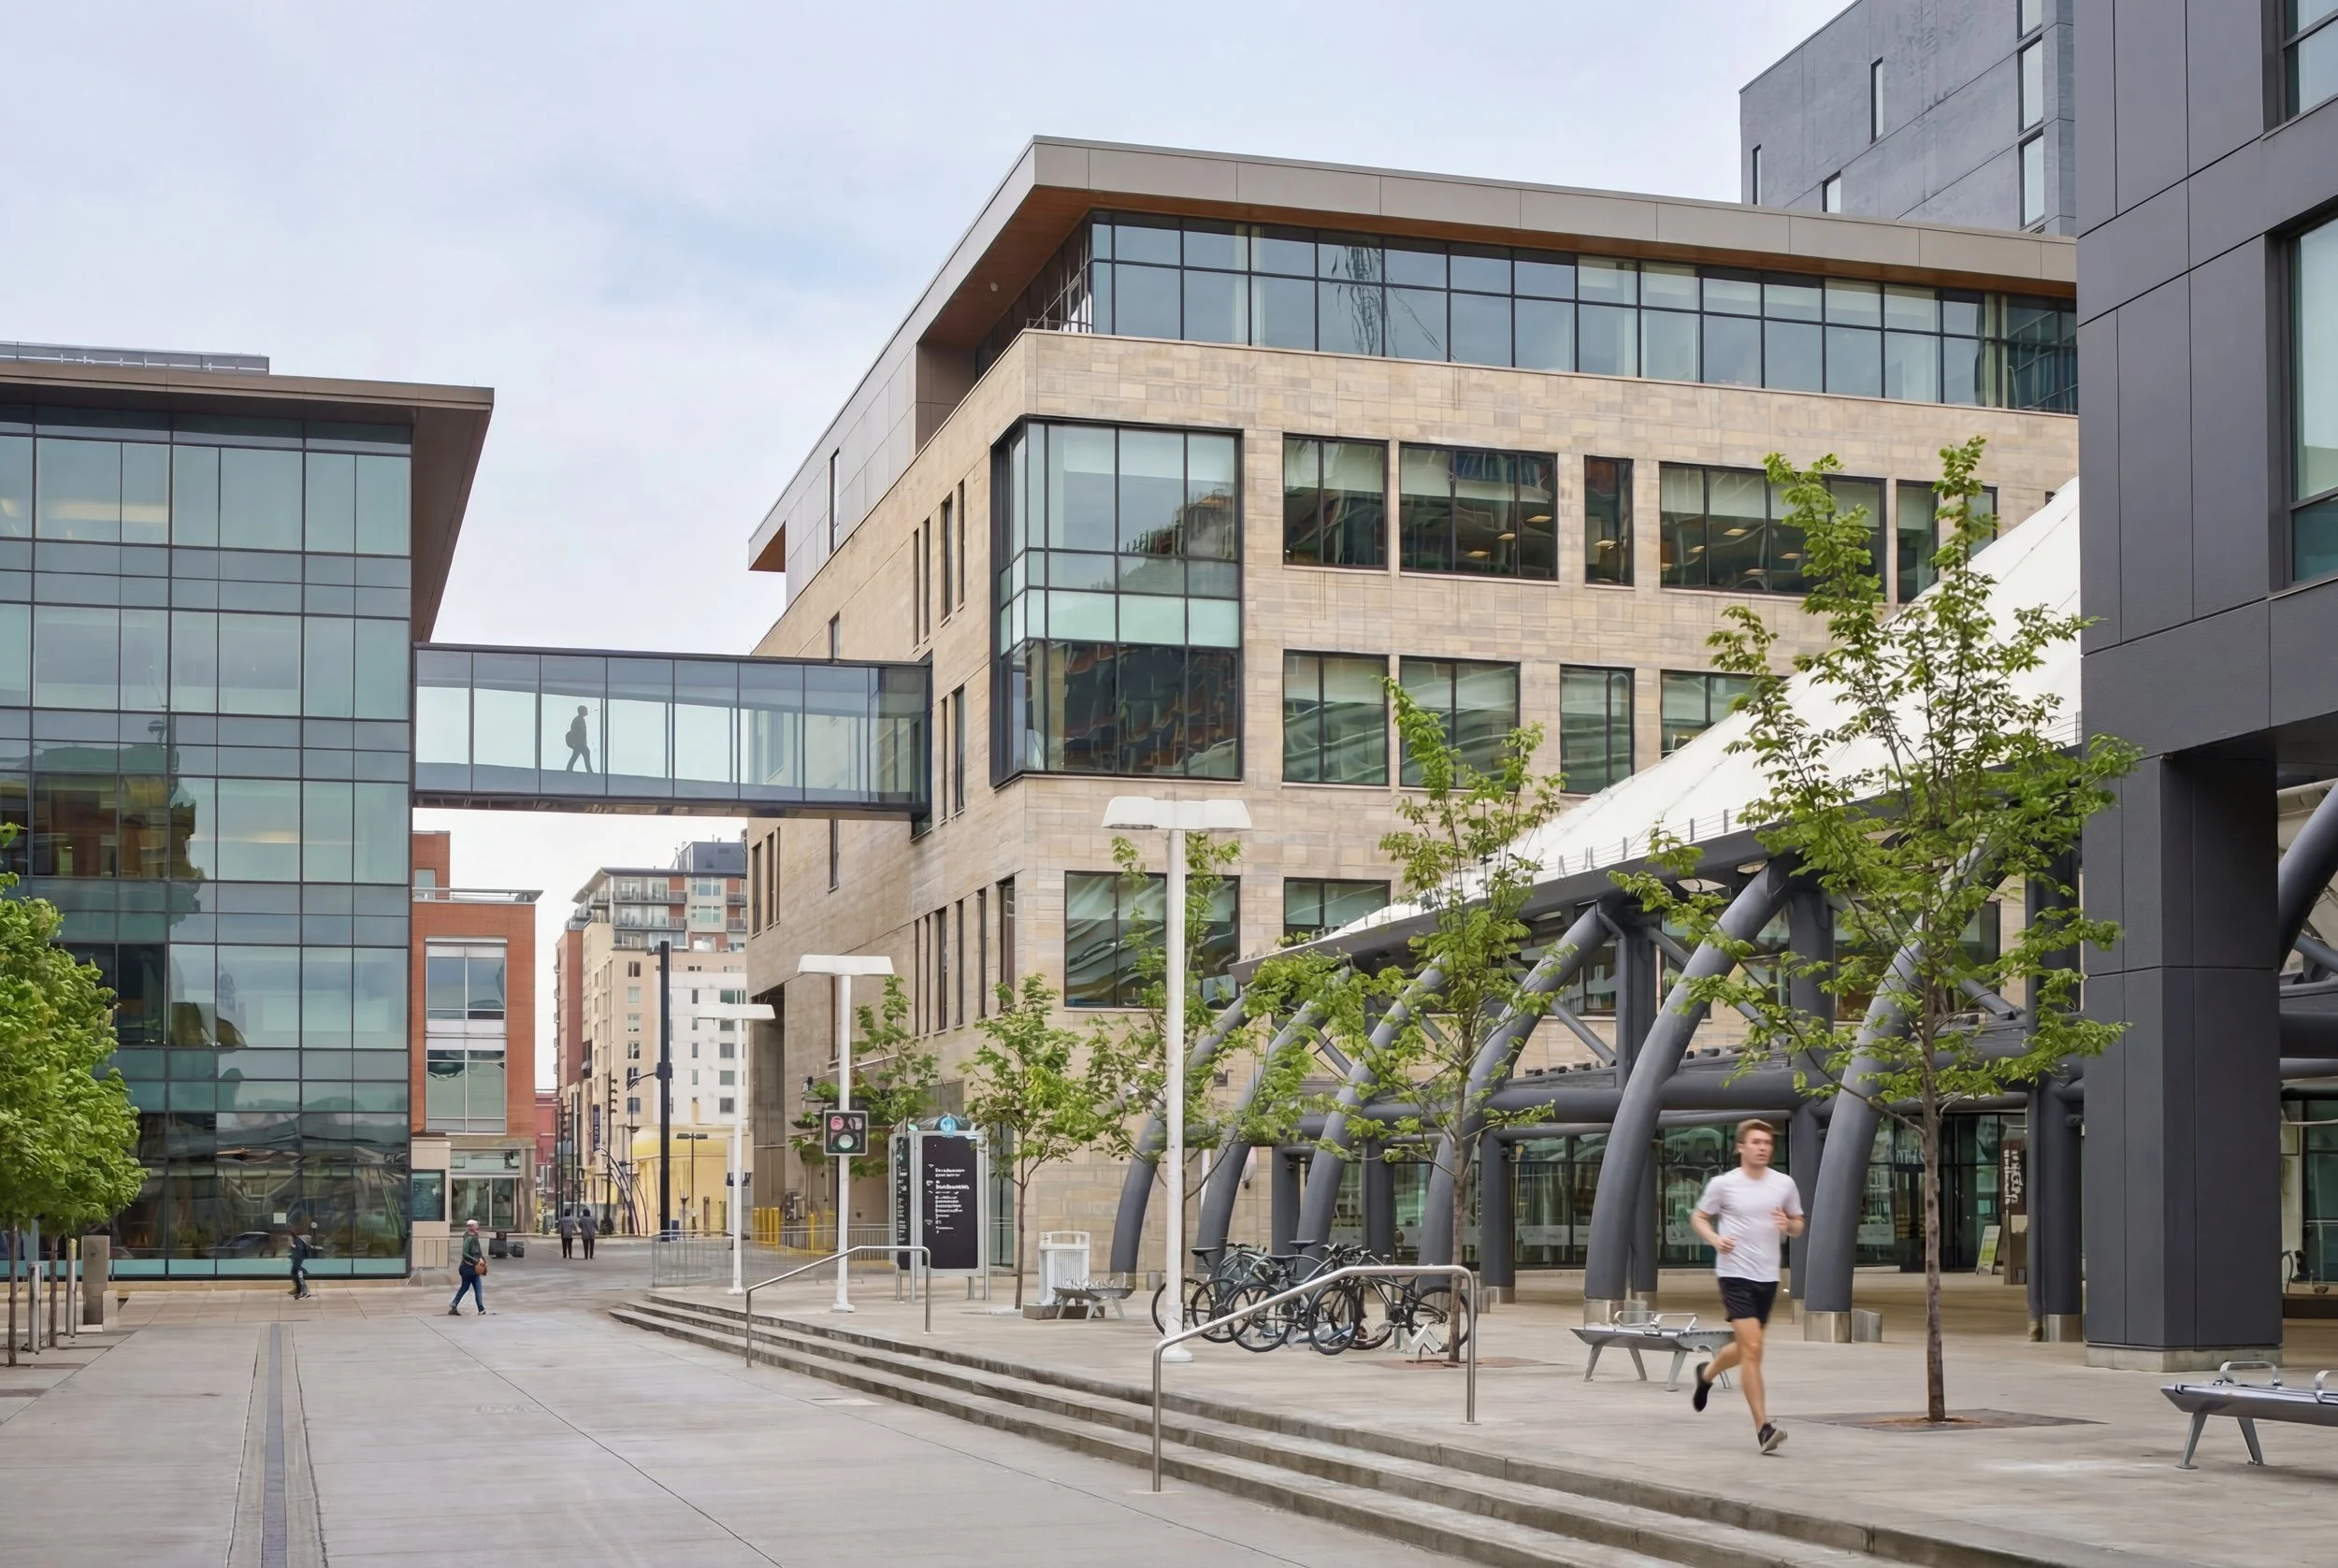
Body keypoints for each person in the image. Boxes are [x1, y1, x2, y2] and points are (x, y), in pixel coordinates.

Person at [1688, 1119, 1804, 1455]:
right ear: (1741, 1147)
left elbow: (1798, 1224)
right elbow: (1698, 1217)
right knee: (1754, 1349)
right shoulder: (1724, 1185)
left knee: (1746, 1348)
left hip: (1768, 1277)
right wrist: (1714, 1238)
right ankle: (1763, 1428)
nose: (1763, 1148)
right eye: (1756, 1142)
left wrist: (1789, 1225)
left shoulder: (1784, 1184)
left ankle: (1706, 1373)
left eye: (1767, 1143)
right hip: (1734, 1273)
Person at [448, 1219, 488, 1316]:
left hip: (467, 1268)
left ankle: (454, 1304)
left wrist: (482, 1259)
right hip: (469, 1268)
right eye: (476, 1226)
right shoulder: (470, 1238)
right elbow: (464, 1253)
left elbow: (478, 1252)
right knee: (477, 1286)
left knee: (465, 1286)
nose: (477, 1227)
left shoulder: (473, 1237)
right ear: (471, 1227)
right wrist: (476, 1261)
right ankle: (481, 1308)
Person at [564, 706, 594, 772]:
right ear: (582, 711)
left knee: (575, 756)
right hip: (580, 743)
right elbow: (576, 733)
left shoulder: (579, 719)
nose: (587, 712)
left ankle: (569, 770)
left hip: (580, 743)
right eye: (586, 710)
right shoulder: (578, 720)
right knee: (584, 754)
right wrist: (580, 742)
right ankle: (590, 771)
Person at [289, 1225, 315, 1301]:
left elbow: (299, 1249)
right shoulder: (296, 1239)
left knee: (299, 1275)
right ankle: (299, 1290)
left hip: (298, 1259)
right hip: (297, 1259)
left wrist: (294, 1247)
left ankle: (305, 1292)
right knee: (295, 1273)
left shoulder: (298, 1240)